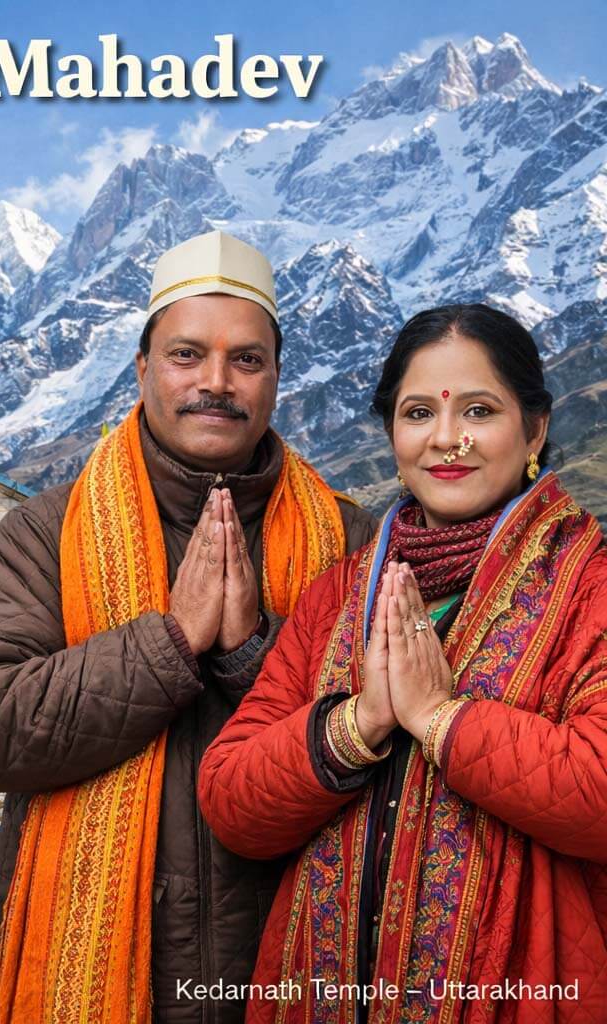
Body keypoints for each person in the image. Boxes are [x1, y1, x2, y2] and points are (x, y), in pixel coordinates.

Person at [0, 229, 377, 1023]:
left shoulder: (350, 541)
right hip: (107, 972)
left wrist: (252, 655)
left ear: (277, 379)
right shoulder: (46, 532)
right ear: (142, 369)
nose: (216, 382)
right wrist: (169, 643)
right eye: (186, 355)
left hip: (285, 965)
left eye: (246, 359)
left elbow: (383, 738)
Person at [198, 303, 607, 1023]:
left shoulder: (589, 589)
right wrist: (360, 722)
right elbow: (232, 800)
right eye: (418, 413)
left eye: (479, 410)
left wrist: (440, 719)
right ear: (392, 431)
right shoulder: (339, 595)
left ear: (536, 428)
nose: (447, 440)